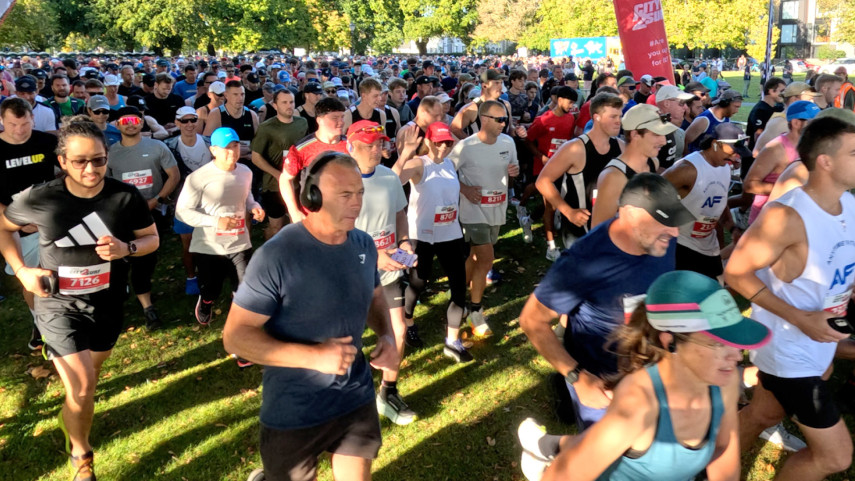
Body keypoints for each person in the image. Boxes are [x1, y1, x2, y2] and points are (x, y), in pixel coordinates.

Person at [222, 151, 398, 481]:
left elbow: (375, 296)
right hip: (293, 409)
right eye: (345, 194)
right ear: (312, 197)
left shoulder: (363, 244)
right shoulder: (277, 255)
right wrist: (314, 356)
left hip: (354, 396)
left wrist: (386, 335)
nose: (357, 203)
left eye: (359, 192)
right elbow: (235, 337)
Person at [0, 118, 158, 481]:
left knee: (88, 382)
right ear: (62, 161)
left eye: (98, 160)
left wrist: (126, 248)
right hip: (57, 304)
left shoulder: (124, 196)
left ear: (107, 158)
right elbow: (4, 228)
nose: (90, 169)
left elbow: (151, 238)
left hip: (106, 302)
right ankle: (82, 457)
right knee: (84, 385)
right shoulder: (41, 197)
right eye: (80, 161)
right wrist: (22, 271)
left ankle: (70, 417)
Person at [518, 270, 768, 481]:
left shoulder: (723, 383)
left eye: (734, 341)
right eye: (717, 344)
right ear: (670, 342)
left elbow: (723, 449)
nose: (737, 356)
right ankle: (544, 454)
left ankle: (547, 444)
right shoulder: (639, 404)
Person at [726, 115, 855, 480]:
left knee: (763, 414)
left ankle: (710, 469)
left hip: (819, 345)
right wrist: (801, 319)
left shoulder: (848, 205)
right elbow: (736, 272)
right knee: (835, 457)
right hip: (788, 350)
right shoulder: (787, 215)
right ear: (825, 161)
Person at [520, 173, 693, 430]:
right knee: (604, 454)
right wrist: (577, 377)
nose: (675, 231)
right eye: (665, 222)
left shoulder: (662, 240)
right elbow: (531, 320)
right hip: (604, 387)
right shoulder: (584, 261)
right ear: (630, 214)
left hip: (653, 375)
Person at [347, 120, 417, 424]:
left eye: (379, 144)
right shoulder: (340, 183)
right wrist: (374, 257)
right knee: (348, 339)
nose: (376, 150)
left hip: (388, 274)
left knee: (397, 331)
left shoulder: (389, 177)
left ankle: (388, 392)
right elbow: (334, 234)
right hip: (350, 276)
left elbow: (399, 213)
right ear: (351, 147)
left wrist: (405, 241)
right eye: (369, 145)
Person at [395, 122, 471, 360]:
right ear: (428, 141)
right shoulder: (419, 164)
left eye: (447, 142)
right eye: (438, 143)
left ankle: (452, 341)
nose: (443, 147)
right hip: (421, 235)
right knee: (418, 283)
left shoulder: (450, 163)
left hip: (450, 233)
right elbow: (392, 182)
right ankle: (407, 320)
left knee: (459, 286)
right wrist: (406, 154)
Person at [176, 126, 264, 330]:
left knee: (243, 289)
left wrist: (255, 207)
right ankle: (206, 302)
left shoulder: (246, 172)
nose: (232, 152)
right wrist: (217, 221)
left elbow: (247, 197)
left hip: (239, 242)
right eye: (226, 147)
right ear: (213, 150)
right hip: (209, 246)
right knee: (211, 289)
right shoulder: (198, 178)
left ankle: (240, 327)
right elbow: (182, 212)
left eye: (235, 146)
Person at [450, 100, 520, 337]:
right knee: (487, 259)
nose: (503, 124)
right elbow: (446, 172)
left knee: (475, 257)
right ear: (484, 119)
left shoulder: (508, 142)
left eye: (505, 119)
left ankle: (456, 298)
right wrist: (465, 189)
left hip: (497, 208)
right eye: (499, 119)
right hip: (473, 211)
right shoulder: (466, 146)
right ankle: (476, 311)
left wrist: (514, 173)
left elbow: (512, 172)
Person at [108, 106, 180, 330]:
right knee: (119, 261)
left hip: (151, 213)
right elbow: (104, 185)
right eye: (125, 121)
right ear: (117, 125)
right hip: (120, 217)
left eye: (135, 120)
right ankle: (120, 298)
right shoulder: (110, 153)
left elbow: (174, 175)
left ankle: (147, 307)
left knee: (145, 261)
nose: (130, 124)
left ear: (141, 122)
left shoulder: (157, 147)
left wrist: (157, 199)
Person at [0, 98, 60, 351]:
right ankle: (39, 323)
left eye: (24, 124)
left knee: (61, 270)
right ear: (2, 121)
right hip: (13, 225)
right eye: (13, 124)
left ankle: (64, 318)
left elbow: (68, 170)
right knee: (31, 276)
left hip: (51, 219)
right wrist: (16, 221)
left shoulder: (46, 142)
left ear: (32, 119)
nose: (19, 130)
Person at [536, 93, 624, 249]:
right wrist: (569, 212)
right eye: (613, 117)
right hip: (579, 231)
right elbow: (542, 181)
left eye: (620, 116)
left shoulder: (621, 146)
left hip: (610, 227)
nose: (619, 121)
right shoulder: (575, 148)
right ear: (597, 117)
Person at [663, 123, 747, 279]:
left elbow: (720, 202)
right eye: (733, 151)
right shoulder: (687, 169)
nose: (735, 157)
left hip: (708, 246)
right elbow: (652, 193)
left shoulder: (724, 167)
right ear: (715, 144)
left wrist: (732, 228)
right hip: (682, 246)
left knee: (713, 288)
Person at [590, 104, 670, 228]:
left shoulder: (653, 162)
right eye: (656, 134)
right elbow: (597, 230)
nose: (664, 141)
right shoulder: (613, 177)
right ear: (635, 135)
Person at [523, 86, 577, 261]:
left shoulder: (570, 119)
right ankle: (551, 247)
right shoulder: (543, 120)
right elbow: (528, 140)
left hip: (562, 168)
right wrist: (542, 157)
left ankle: (528, 220)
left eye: (573, 103)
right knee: (550, 206)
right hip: (544, 170)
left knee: (554, 202)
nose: (571, 106)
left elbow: (568, 141)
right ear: (559, 100)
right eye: (570, 102)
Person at [744, 101, 820, 225]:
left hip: (794, 220)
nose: (819, 126)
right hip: (767, 222)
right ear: (796, 123)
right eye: (814, 122)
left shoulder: (811, 147)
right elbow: (749, 185)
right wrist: (788, 188)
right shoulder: (775, 149)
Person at [164, 106, 213, 296]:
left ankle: (210, 275)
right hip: (184, 201)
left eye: (193, 120)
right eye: (185, 121)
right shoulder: (169, 146)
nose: (190, 124)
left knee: (211, 241)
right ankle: (191, 277)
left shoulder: (209, 143)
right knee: (188, 244)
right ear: (177, 123)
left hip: (209, 200)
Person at [250, 89, 308, 239]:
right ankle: (269, 250)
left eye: (291, 102)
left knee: (297, 224)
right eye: (284, 102)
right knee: (276, 226)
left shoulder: (302, 122)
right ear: (275, 105)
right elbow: (256, 157)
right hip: (273, 185)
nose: (289, 106)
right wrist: (277, 174)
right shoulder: (267, 128)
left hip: (298, 183)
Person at [280, 97, 348, 222]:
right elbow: (285, 179)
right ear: (319, 120)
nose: (341, 122)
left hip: (344, 214)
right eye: (335, 118)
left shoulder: (351, 145)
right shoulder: (302, 148)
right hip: (313, 216)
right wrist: (294, 211)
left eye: (342, 117)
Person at [746, 78, 786, 153]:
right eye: (782, 91)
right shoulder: (760, 110)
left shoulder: (778, 108)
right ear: (771, 91)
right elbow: (758, 134)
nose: (784, 94)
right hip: (760, 154)